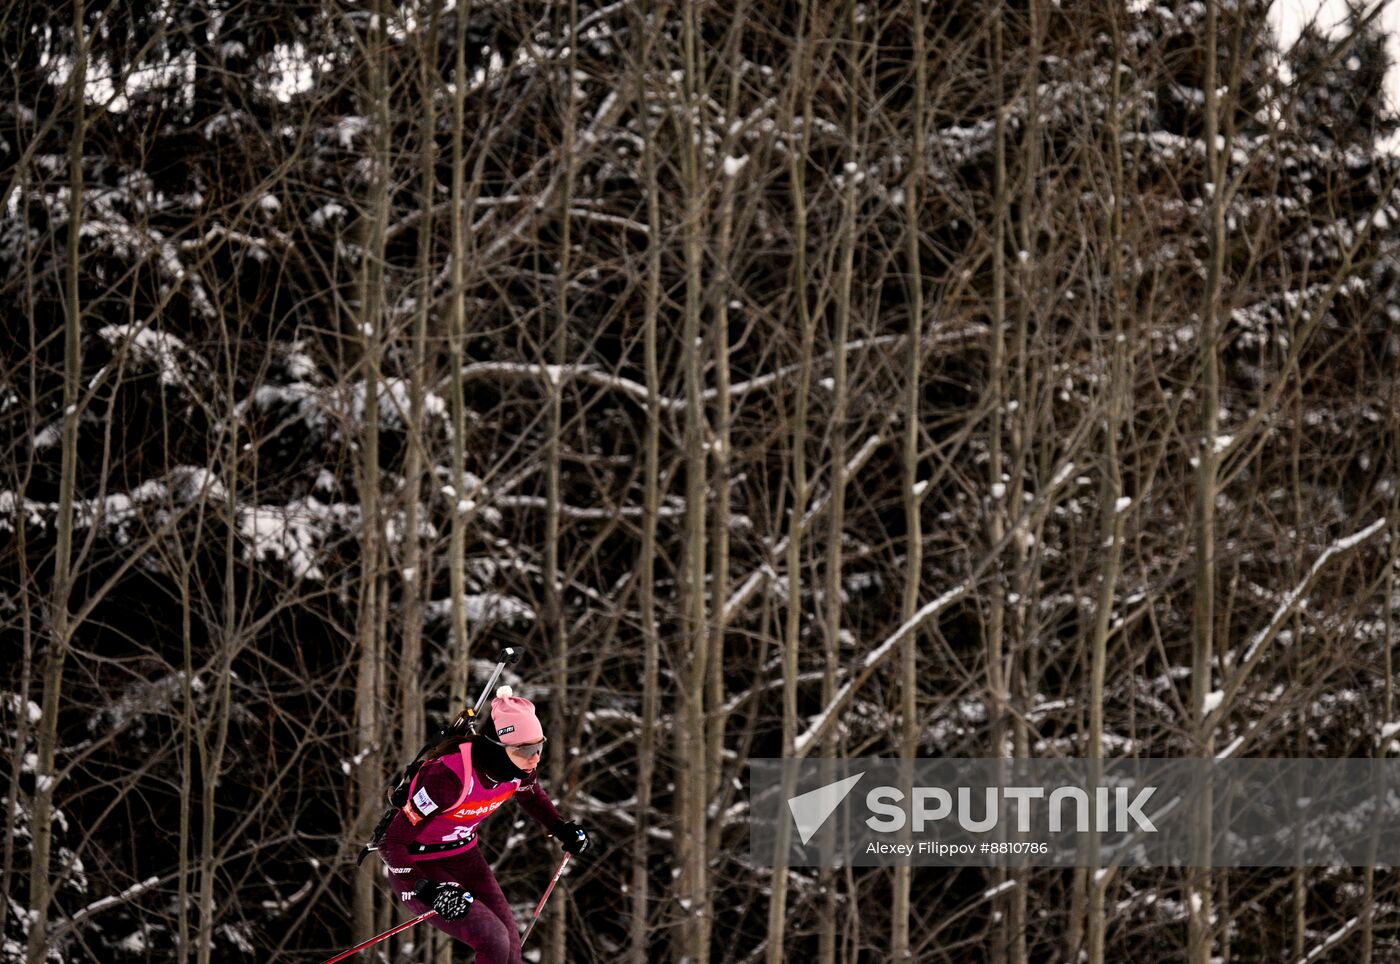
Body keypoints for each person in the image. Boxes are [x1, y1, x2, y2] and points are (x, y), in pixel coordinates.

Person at [376, 690, 589, 963]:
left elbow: (532, 795)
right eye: (525, 750)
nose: (534, 758)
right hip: (419, 863)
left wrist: (560, 827)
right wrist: (427, 888)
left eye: (539, 747)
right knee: (493, 939)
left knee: (511, 950)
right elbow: (391, 842)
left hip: (464, 856)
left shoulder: (518, 769)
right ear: (497, 747)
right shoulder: (448, 777)